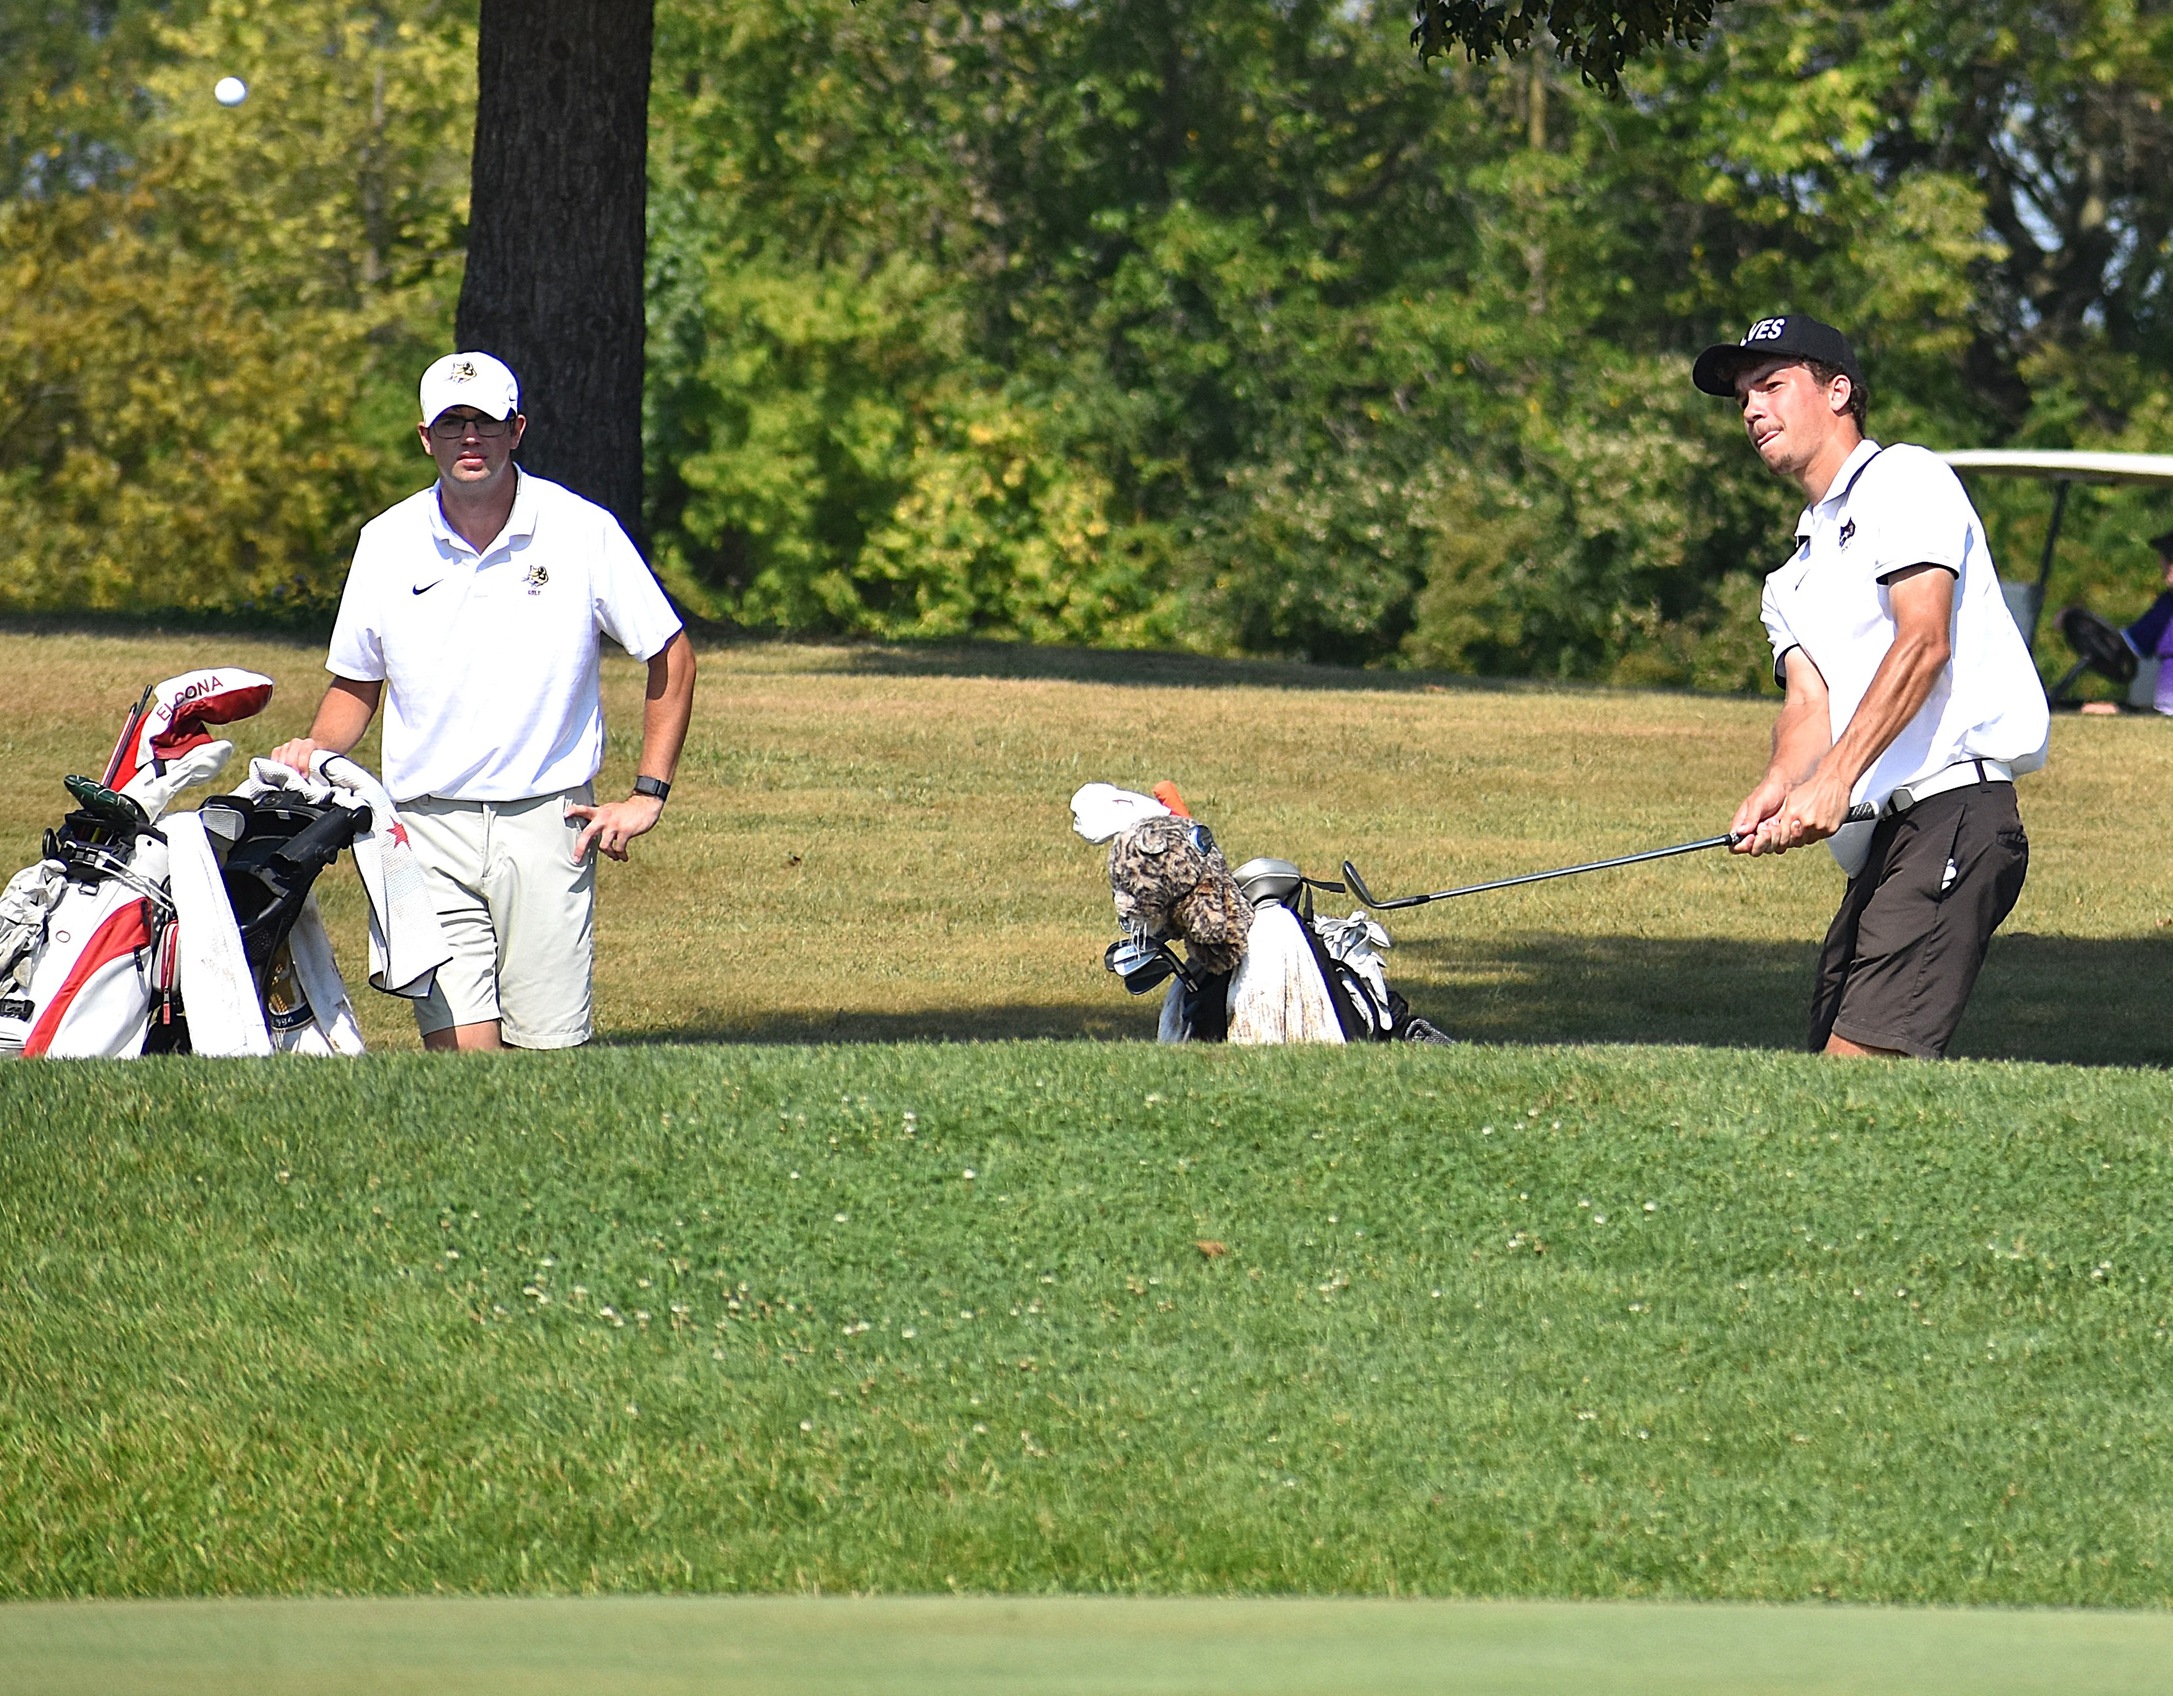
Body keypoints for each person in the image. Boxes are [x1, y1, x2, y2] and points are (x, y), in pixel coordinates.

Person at [272, 351, 696, 1051]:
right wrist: (315, 752)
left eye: (485, 422)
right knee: (463, 1063)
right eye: (451, 423)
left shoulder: (579, 529)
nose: (469, 439)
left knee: (545, 1060)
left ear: (516, 430)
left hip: (548, 820)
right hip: (423, 830)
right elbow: (356, 684)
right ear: (424, 437)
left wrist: (647, 792)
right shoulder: (385, 542)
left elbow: (669, 652)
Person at [1694, 314, 2049, 1059]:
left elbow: (1922, 642)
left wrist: (1836, 780)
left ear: (1838, 391)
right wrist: (1781, 784)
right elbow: (1807, 704)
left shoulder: (1903, 479)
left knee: (1855, 1075)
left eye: (1771, 384)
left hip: (1953, 808)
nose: (1752, 408)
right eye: (1741, 398)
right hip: (1885, 836)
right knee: (1831, 1056)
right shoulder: (1789, 575)